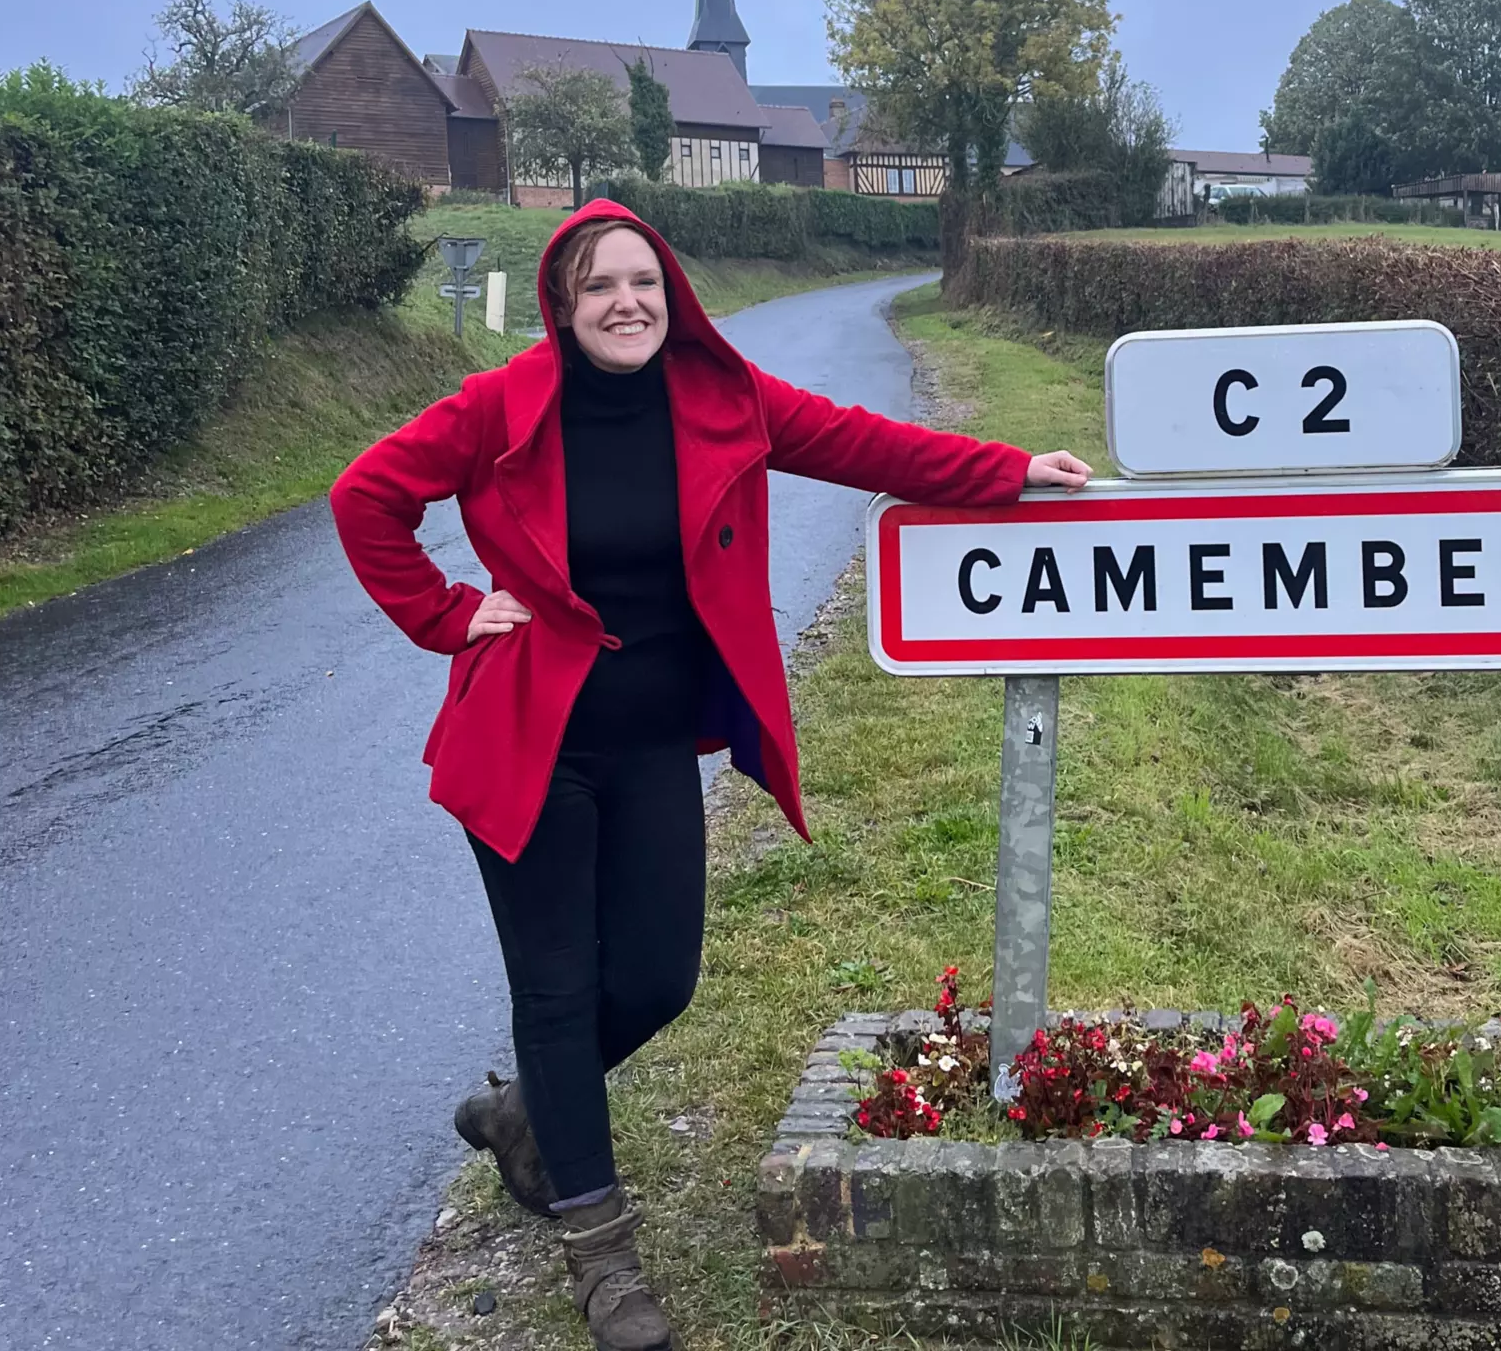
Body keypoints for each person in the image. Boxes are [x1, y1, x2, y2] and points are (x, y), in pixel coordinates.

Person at [329, 201, 1090, 1350]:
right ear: (562, 305)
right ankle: (603, 1259)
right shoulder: (499, 406)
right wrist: (443, 614)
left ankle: (531, 1109)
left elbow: (858, 441)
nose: (625, 302)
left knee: (655, 978)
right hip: (528, 740)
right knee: (554, 988)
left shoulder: (722, 397)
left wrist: (1008, 469)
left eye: (643, 280)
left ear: (672, 293)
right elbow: (366, 496)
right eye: (599, 287)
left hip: (648, 745)